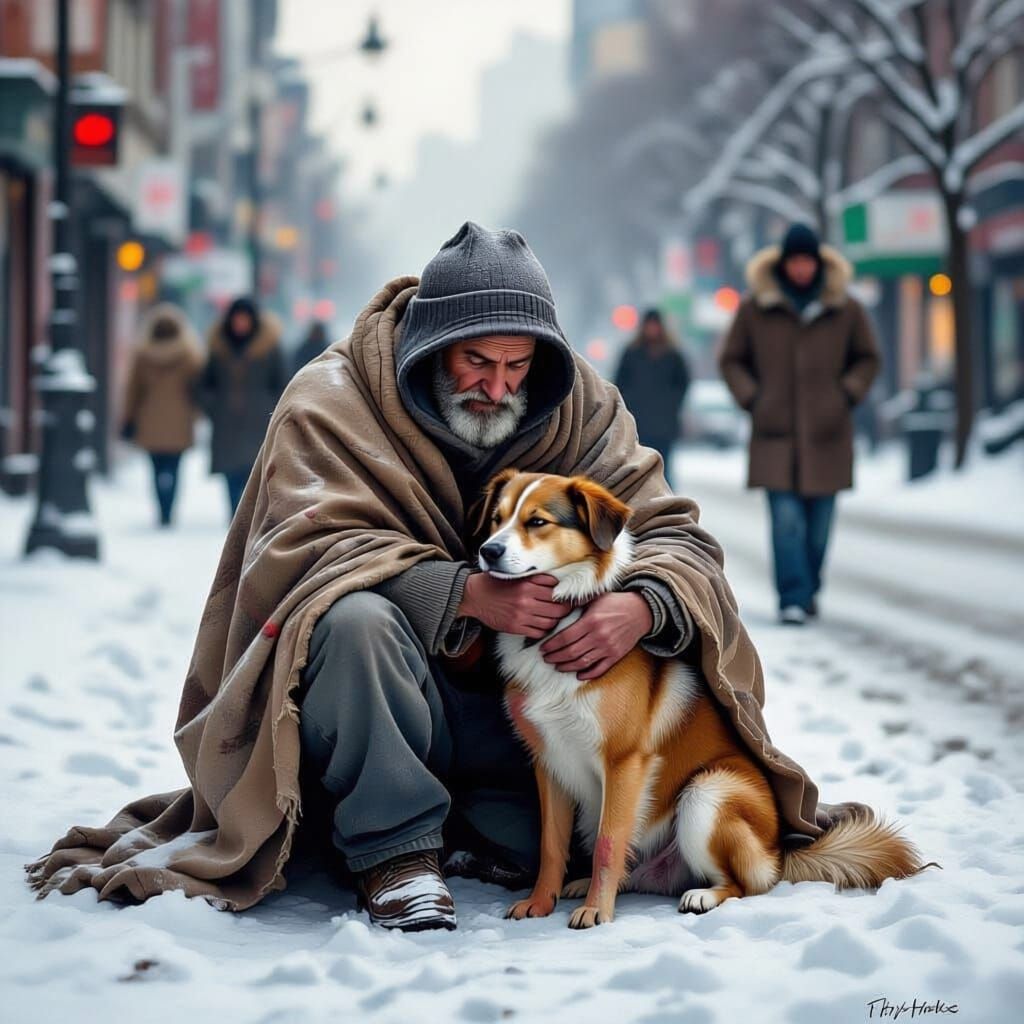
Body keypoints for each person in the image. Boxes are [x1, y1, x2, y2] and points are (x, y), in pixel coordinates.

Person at [29, 223, 864, 933]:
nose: (498, 386)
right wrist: (463, 593)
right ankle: (395, 854)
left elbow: (673, 533)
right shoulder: (332, 399)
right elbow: (306, 554)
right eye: (476, 362)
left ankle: (488, 835)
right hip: (383, 708)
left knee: (558, 821)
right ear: (430, 346)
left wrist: (642, 609)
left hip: (525, 729)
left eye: (517, 366)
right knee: (353, 619)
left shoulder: (583, 406)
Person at [718, 223, 881, 626]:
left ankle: (808, 590)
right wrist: (753, 398)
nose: (802, 268)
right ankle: (792, 596)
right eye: (795, 261)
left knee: (818, 530)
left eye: (808, 261)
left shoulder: (846, 308)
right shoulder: (755, 308)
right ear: (783, 263)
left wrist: (846, 394)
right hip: (775, 436)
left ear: (819, 263)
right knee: (786, 522)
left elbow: (868, 358)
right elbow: (731, 359)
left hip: (828, 435)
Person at [199, 296, 287, 516]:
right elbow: (205, 384)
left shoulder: (269, 348)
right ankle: (235, 517)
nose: (241, 323)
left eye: (245, 319)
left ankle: (247, 519)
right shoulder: (219, 347)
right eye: (237, 319)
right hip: (226, 423)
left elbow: (282, 383)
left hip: (257, 423)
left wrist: (270, 409)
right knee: (231, 476)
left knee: (254, 474)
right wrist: (214, 408)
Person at [120, 303, 203, 527]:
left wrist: (128, 417)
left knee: (156, 468)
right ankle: (169, 508)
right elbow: (197, 388)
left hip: (150, 421)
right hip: (179, 421)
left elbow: (133, 390)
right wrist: (197, 414)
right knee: (174, 467)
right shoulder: (189, 355)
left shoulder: (142, 355)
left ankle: (161, 509)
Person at [613, 309, 691, 488]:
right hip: (637, 422)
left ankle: (665, 501)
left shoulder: (673, 355)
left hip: (664, 425)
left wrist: (671, 405)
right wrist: (628, 407)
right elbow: (619, 384)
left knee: (664, 469)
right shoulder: (631, 353)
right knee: (638, 468)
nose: (652, 329)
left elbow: (683, 384)